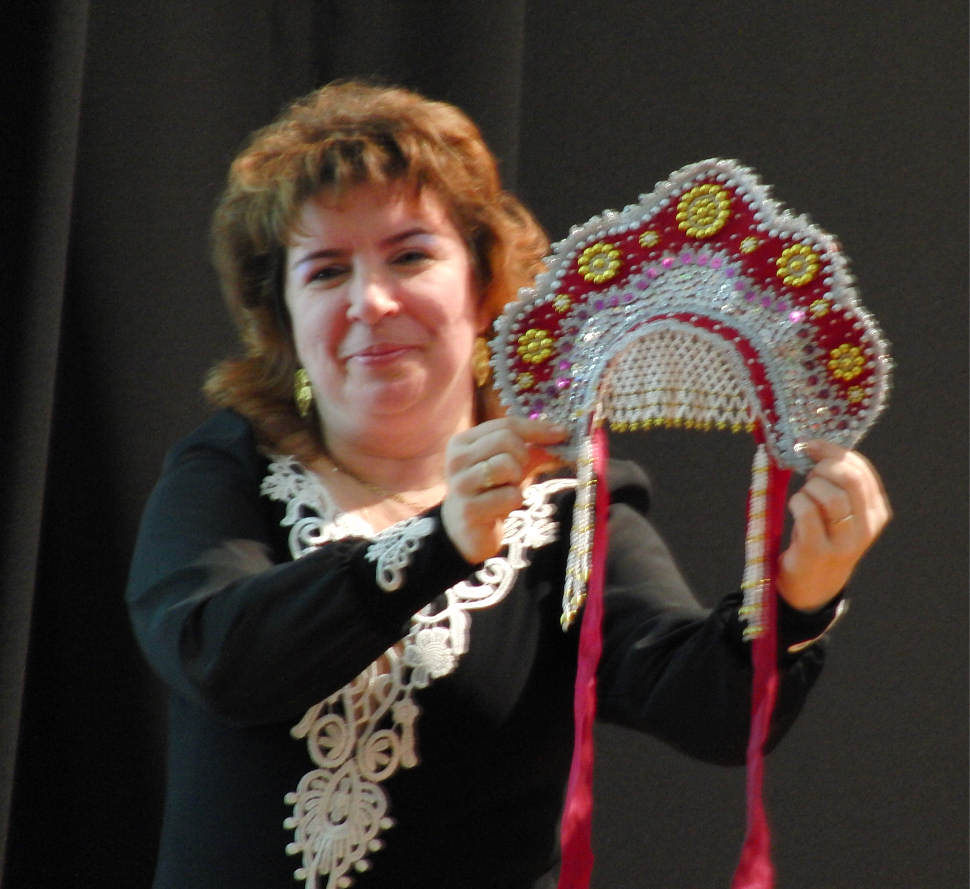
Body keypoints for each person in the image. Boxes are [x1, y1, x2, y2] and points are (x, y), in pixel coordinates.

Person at [126, 80, 891, 889]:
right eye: (325, 271)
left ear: (482, 281)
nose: (371, 301)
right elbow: (221, 657)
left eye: (409, 256)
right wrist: (440, 542)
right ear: (281, 312)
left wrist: (800, 595)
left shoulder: (567, 509)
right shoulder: (229, 472)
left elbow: (707, 707)